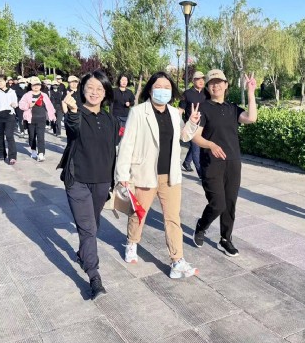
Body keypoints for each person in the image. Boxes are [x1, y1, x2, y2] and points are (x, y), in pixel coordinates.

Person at [115, 71, 201, 279]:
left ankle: (177, 260)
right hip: (144, 173)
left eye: (167, 87)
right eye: (158, 87)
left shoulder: (174, 113)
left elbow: (183, 136)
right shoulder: (138, 112)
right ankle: (132, 243)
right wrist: (123, 174)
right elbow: (127, 144)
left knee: (173, 219)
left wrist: (191, 122)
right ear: (150, 89)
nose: (163, 90)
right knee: (139, 213)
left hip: (170, 176)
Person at [57, 71, 119, 300]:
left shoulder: (110, 120)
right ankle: (94, 277)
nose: (94, 92)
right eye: (90, 87)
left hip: (102, 181)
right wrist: (72, 111)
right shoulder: (77, 113)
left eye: (99, 88)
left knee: (93, 223)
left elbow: (113, 150)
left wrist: (117, 179)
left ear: (105, 92)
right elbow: (72, 129)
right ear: (82, 89)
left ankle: (83, 253)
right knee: (88, 229)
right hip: (78, 180)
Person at [191, 69, 258, 257]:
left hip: (233, 162)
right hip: (211, 162)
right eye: (212, 83)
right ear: (208, 87)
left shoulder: (232, 108)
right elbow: (195, 137)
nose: (216, 86)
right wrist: (210, 145)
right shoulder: (203, 108)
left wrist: (251, 93)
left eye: (219, 82)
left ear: (226, 85)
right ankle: (201, 225)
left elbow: (251, 118)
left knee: (230, 203)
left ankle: (225, 239)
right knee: (217, 203)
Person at [19, 76, 56, 161]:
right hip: (30, 119)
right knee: (32, 136)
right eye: (34, 85)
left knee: (40, 137)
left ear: (40, 86)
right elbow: (21, 105)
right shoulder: (27, 95)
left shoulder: (44, 95)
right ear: (31, 86)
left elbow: (49, 106)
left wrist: (52, 115)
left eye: (38, 85)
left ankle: (41, 154)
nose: (36, 86)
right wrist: (28, 105)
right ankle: (33, 151)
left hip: (41, 119)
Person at [179, 71, 206, 177]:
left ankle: (186, 162)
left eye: (202, 79)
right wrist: (180, 126)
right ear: (193, 80)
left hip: (203, 126)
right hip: (191, 126)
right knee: (196, 150)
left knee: (196, 147)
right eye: (198, 79)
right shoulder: (187, 94)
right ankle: (202, 175)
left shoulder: (206, 93)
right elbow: (180, 111)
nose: (201, 81)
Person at [0, 75, 19, 164]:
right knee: (0, 135)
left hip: (9, 115)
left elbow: (15, 103)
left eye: (1, 81)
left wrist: (14, 104)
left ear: (6, 81)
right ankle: (2, 154)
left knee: (9, 135)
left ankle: (12, 157)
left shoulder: (11, 92)